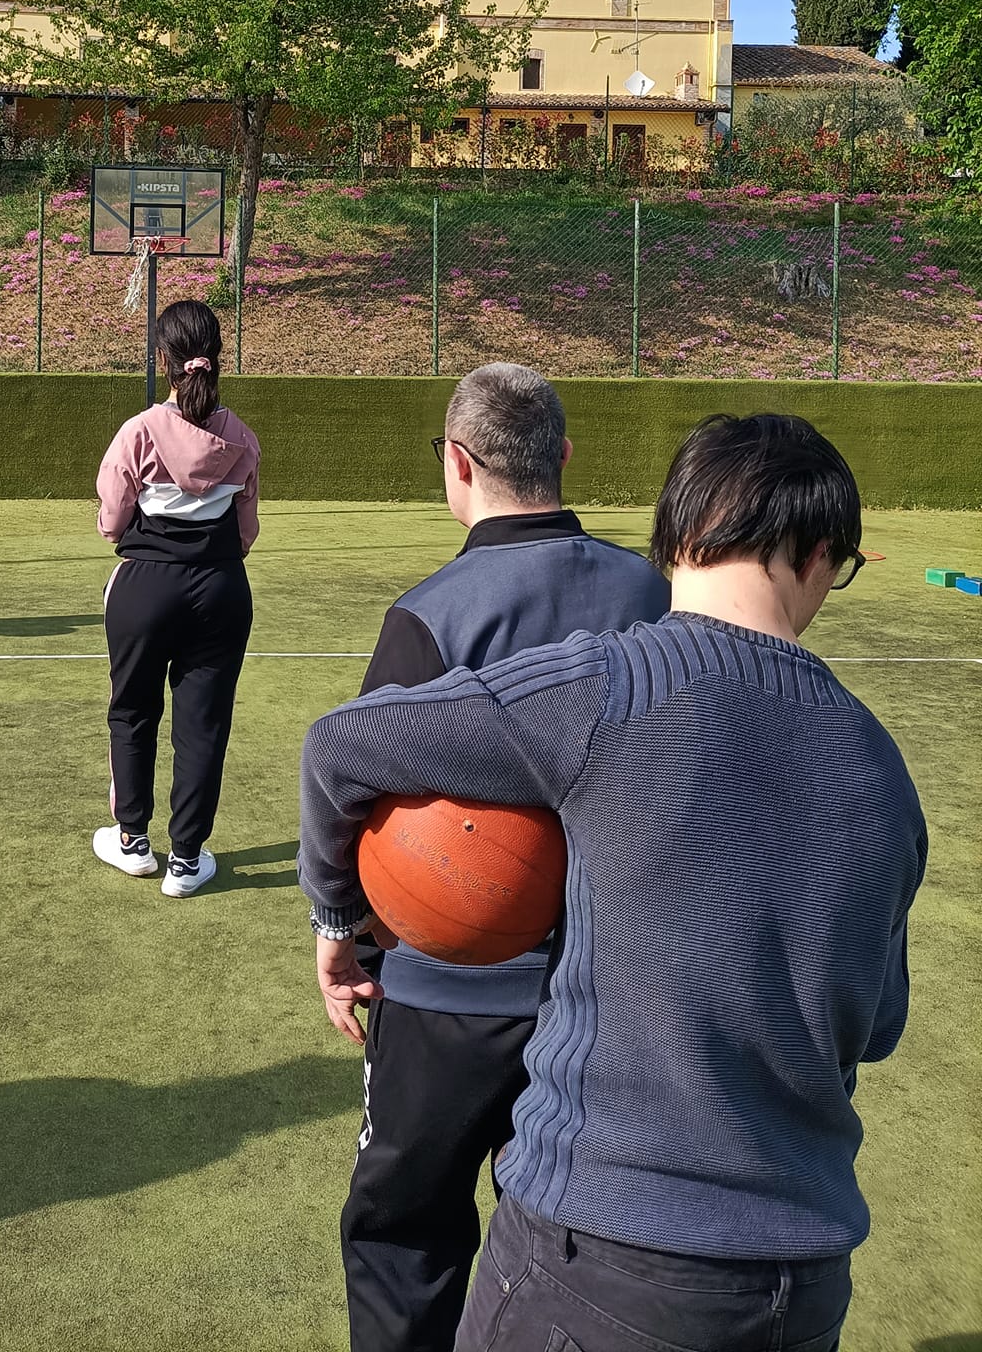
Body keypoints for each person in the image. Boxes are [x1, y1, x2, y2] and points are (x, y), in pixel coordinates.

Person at [300, 412, 926, 1352]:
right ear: (816, 555)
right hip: (801, 1283)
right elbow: (876, 1027)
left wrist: (338, 919)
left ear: (678, 533)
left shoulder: (611, 686)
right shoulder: (881, 767)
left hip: (600, 1254)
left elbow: (342, 744)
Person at [339, 364, 669, 1352]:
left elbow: (361, 791)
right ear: (563, 454)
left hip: (447, 996)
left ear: (456, 462)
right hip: (609, 996)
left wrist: (345, 935)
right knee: (576, 1253)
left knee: (403, 1238)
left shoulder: (431, 614)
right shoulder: (653, 593)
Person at [92, 298, 260, 898]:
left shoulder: (139, 431)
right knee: (204, 725)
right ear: (216, 357)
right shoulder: (241, 437)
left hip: (145, 586)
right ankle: (186, 861)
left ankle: (132, 842)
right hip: (221, 588)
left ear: (163, 358)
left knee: (132, 712)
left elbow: (112, 521)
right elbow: (246, 531)